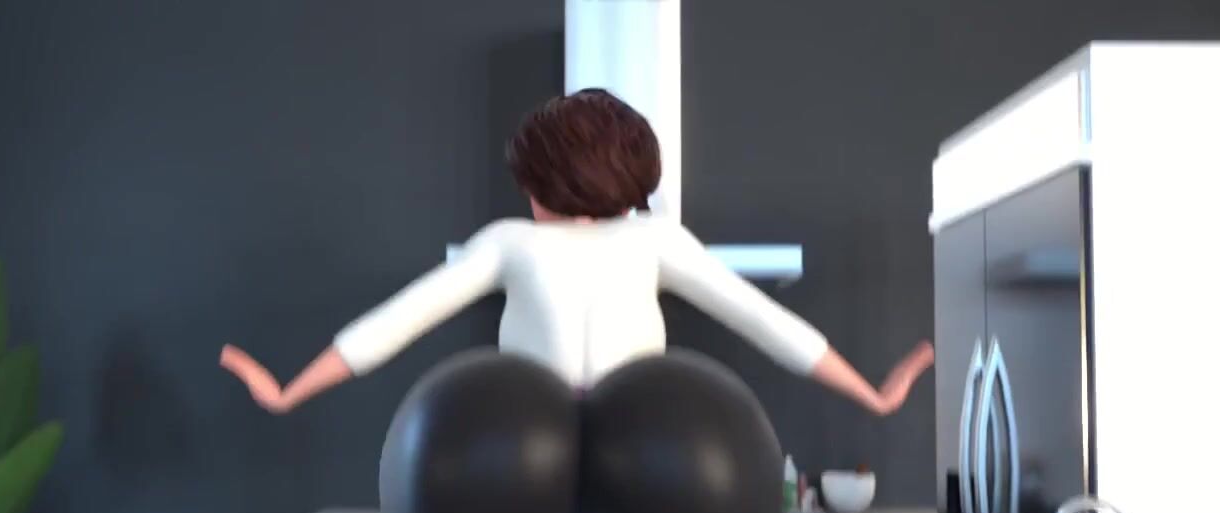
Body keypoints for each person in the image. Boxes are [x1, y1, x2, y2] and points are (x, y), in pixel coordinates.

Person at [221, 88, 933, 420]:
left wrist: (289, 392)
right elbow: (770, 326)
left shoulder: (508, 242)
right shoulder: (654, 239)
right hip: (637, 431)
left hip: (534, 431)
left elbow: (392, 325)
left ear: (540, 180)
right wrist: (873, 394)